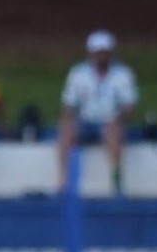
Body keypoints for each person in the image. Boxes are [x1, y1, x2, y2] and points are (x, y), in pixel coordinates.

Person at [58, 30, 138, 195]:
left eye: (104, 52)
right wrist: (69, 120)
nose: (101, 56)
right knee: (66, 130)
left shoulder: (122, 74)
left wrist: (118, 119)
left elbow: (129, 104)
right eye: (98, 52)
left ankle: (116, 181)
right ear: (90, 53)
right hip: (86, 120)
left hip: (110, 121)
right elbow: (69, 103)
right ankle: (64, 182)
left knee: (113, 132)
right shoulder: (78, 73)